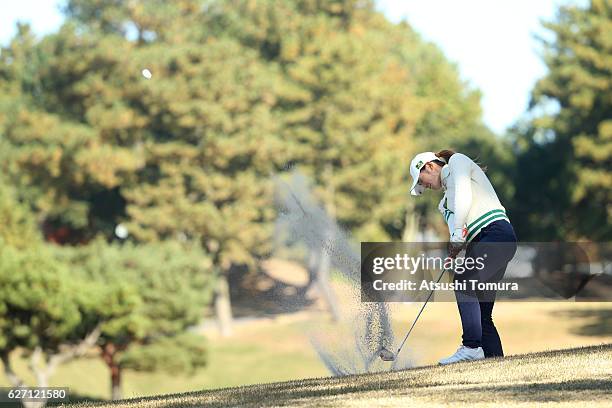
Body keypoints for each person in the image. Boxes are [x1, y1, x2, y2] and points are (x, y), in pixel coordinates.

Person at [408, 150, 517, 365]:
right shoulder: (444, 203)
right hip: (480, 243)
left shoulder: (457, 162)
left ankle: (471, 346)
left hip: (496, 233)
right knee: (483, 315)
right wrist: (454, 249)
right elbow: (459, 232)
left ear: (429, 166)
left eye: (422, 180)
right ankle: (497, 366)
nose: (425, 186)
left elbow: (464, 195)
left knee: (463, 281)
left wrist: (458, 234)